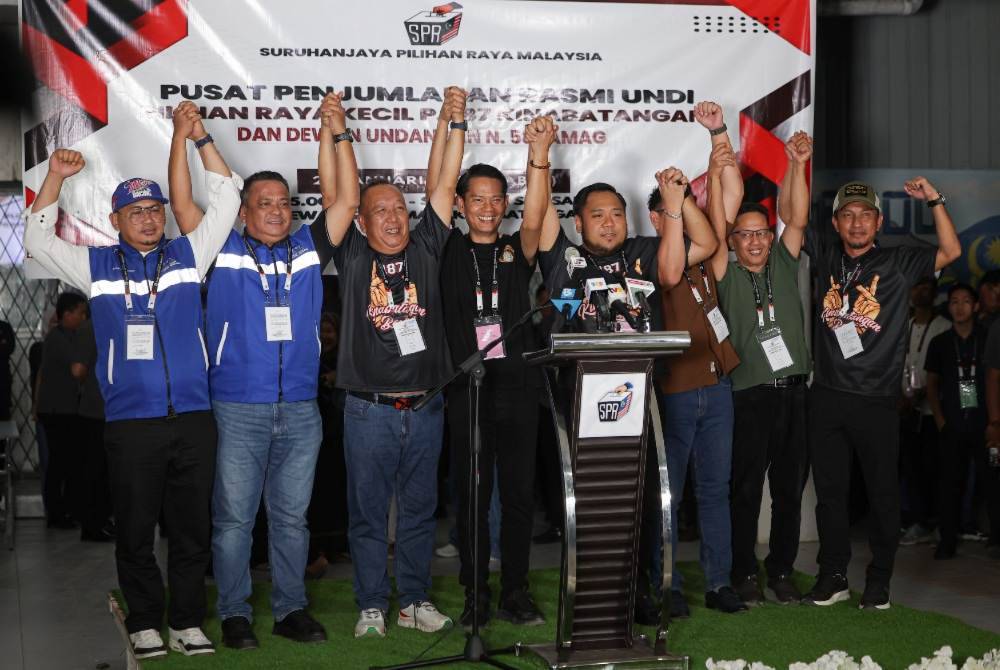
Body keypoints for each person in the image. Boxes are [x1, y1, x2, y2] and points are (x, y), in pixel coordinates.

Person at [22, 101, 240, 658]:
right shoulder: (94, 267)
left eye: (154, 209)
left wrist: (200, 136)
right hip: (131, 424)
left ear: (164, 216)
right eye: (134, 211)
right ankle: (146, 620)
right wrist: (54, 177)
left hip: (193, 419)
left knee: (192, 531)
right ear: (115, 221)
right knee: (137, 530)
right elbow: (40, 240)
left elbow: (227, 196)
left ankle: (187, 621)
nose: (146, 218)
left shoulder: (190, 254)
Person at [168, 95, 358, 649]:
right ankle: (234, 614)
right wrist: (185, 137)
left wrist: (336, 131)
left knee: (293, 522)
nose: (276, 210)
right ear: (243, 211)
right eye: (263, 202)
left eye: (283, 202)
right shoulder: (219, 248)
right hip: (236, 407)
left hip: (300, 408)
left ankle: (290, 609)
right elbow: (183, 200)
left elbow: (344, 198)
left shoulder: (305, 248)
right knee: (233, 523)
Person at [323, 87, 466, 638]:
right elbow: (346, 188)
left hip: (425, 406)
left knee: (419, 512)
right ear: (361, 222)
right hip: (368, 411)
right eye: (380, 210)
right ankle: (371, 606)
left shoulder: (428, 247)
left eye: (399, 209)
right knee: (366, 517)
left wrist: (451, 120)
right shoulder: (353, 253)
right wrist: (339, 131)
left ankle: (412, 600)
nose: (393, 217)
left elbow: (444, 183)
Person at [802, 176, 961, 610]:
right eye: (848, 215)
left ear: (879, 222)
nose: (857, 223)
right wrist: (797, 165)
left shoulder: (898, 262)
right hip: (828, 395)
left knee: (882, 494)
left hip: (876, 399)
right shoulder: (828, 254)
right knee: (831, 495)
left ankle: (879, 581)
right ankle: (833, 576)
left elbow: (951, 251)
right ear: (835, 223)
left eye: (865, 215)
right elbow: (792, 218)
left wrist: (935, 200)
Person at [437, 116, 552, 628]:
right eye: (477, 199)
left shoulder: (517, 248)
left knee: (520, 496)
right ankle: (475, 595)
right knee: (473, 497)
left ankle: (516, 593)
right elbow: (438, 184)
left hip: (519, 387)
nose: (488, 208)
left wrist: (539, 152)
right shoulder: (444, 249)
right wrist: (450, 124)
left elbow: (538, 214)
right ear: (460, 205)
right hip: (468, 389)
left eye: (496, 199)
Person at [707, 129, 814, 605]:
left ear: (770, 237)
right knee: (746, 489)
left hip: (794, 392)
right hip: (747, 395)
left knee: (789, 490)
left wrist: (795, 164)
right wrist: (717, 150)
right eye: (744, 235)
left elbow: (797, 216)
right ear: (733, 240)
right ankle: (744, 571)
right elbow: (714, 220)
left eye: (761, 233)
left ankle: (782, 570)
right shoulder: (724, 272)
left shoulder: (787, 264)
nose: (754, 241)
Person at [654, 101, 744, 617]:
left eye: (686, 205)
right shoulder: (652, 256)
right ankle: (664, 585)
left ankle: (717, 582)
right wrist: (675, 205)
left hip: (718, 385)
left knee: (715, 489)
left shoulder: (709, 256)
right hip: (676, 390)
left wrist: (717, 136)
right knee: (671, 493)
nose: (685, 212)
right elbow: (673, 263)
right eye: (671, 206)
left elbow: (727, 194)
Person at [926, 283, 999, 559]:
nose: (960, 307)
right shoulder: (941, 343)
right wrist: (941, 420)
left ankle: (996, 538)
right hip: (953, 423)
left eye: (966, 301)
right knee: (949, 484)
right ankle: (947, 539)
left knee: (991, 482)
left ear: (976, 305)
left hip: (984, 423)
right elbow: (931, 385)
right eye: (954, 302)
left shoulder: (988, 336)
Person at [898, 276, 950, 546]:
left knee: (936, 469)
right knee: (911, 469)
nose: (923, 291)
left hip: (932, 412)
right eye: (917, 286)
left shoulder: (944, 327)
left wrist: (919, 395)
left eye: (928, 287)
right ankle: (917, 522)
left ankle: (939, 523)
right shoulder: (902, 325)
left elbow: (946, 372)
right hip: (905, 411)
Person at [35, 291, 88, 530]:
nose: (83, 317)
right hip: (58, 410)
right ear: (66, 314)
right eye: (80, 313)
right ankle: (57, 513)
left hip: (61, 408)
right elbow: (77, 370)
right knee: (60, 462)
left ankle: (65, 510)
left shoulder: (66, 335)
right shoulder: (59, 338)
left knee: (66, 461)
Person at [306, 312, 348, 578]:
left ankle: (336, 546)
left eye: (330, 330)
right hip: (316, 435)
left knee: (337, 490)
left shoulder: (345, 360)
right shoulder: (312, 358)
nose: (326, 335)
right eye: (322, 330)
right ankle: (318, 549)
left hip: (337, 435)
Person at [71, 316, 115, 542]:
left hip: (105, 409)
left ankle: (101, 521)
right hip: (96, 410)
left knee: (102, 471)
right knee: (95, 471)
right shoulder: (92, 327)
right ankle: (93, 524)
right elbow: (77, 369)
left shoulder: (96, 324)